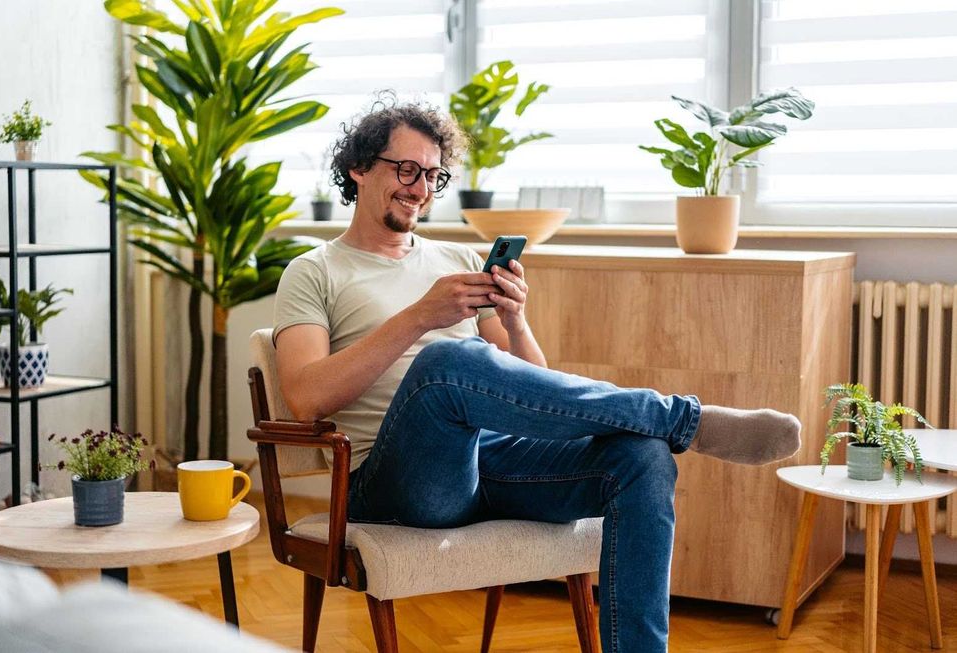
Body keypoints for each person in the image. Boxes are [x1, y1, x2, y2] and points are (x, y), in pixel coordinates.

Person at [272, 95, 801, 653]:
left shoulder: (456, 261)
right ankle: (683, 418)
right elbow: (306, 398)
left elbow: (536, 394)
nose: (421, 188)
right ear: (358, 167)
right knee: (447, 362)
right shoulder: (314, 270)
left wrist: (515, 320)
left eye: (432, 175)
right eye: (405, 169)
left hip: (492, 460)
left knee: (642, 458)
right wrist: (419, 318)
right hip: (393, 481)